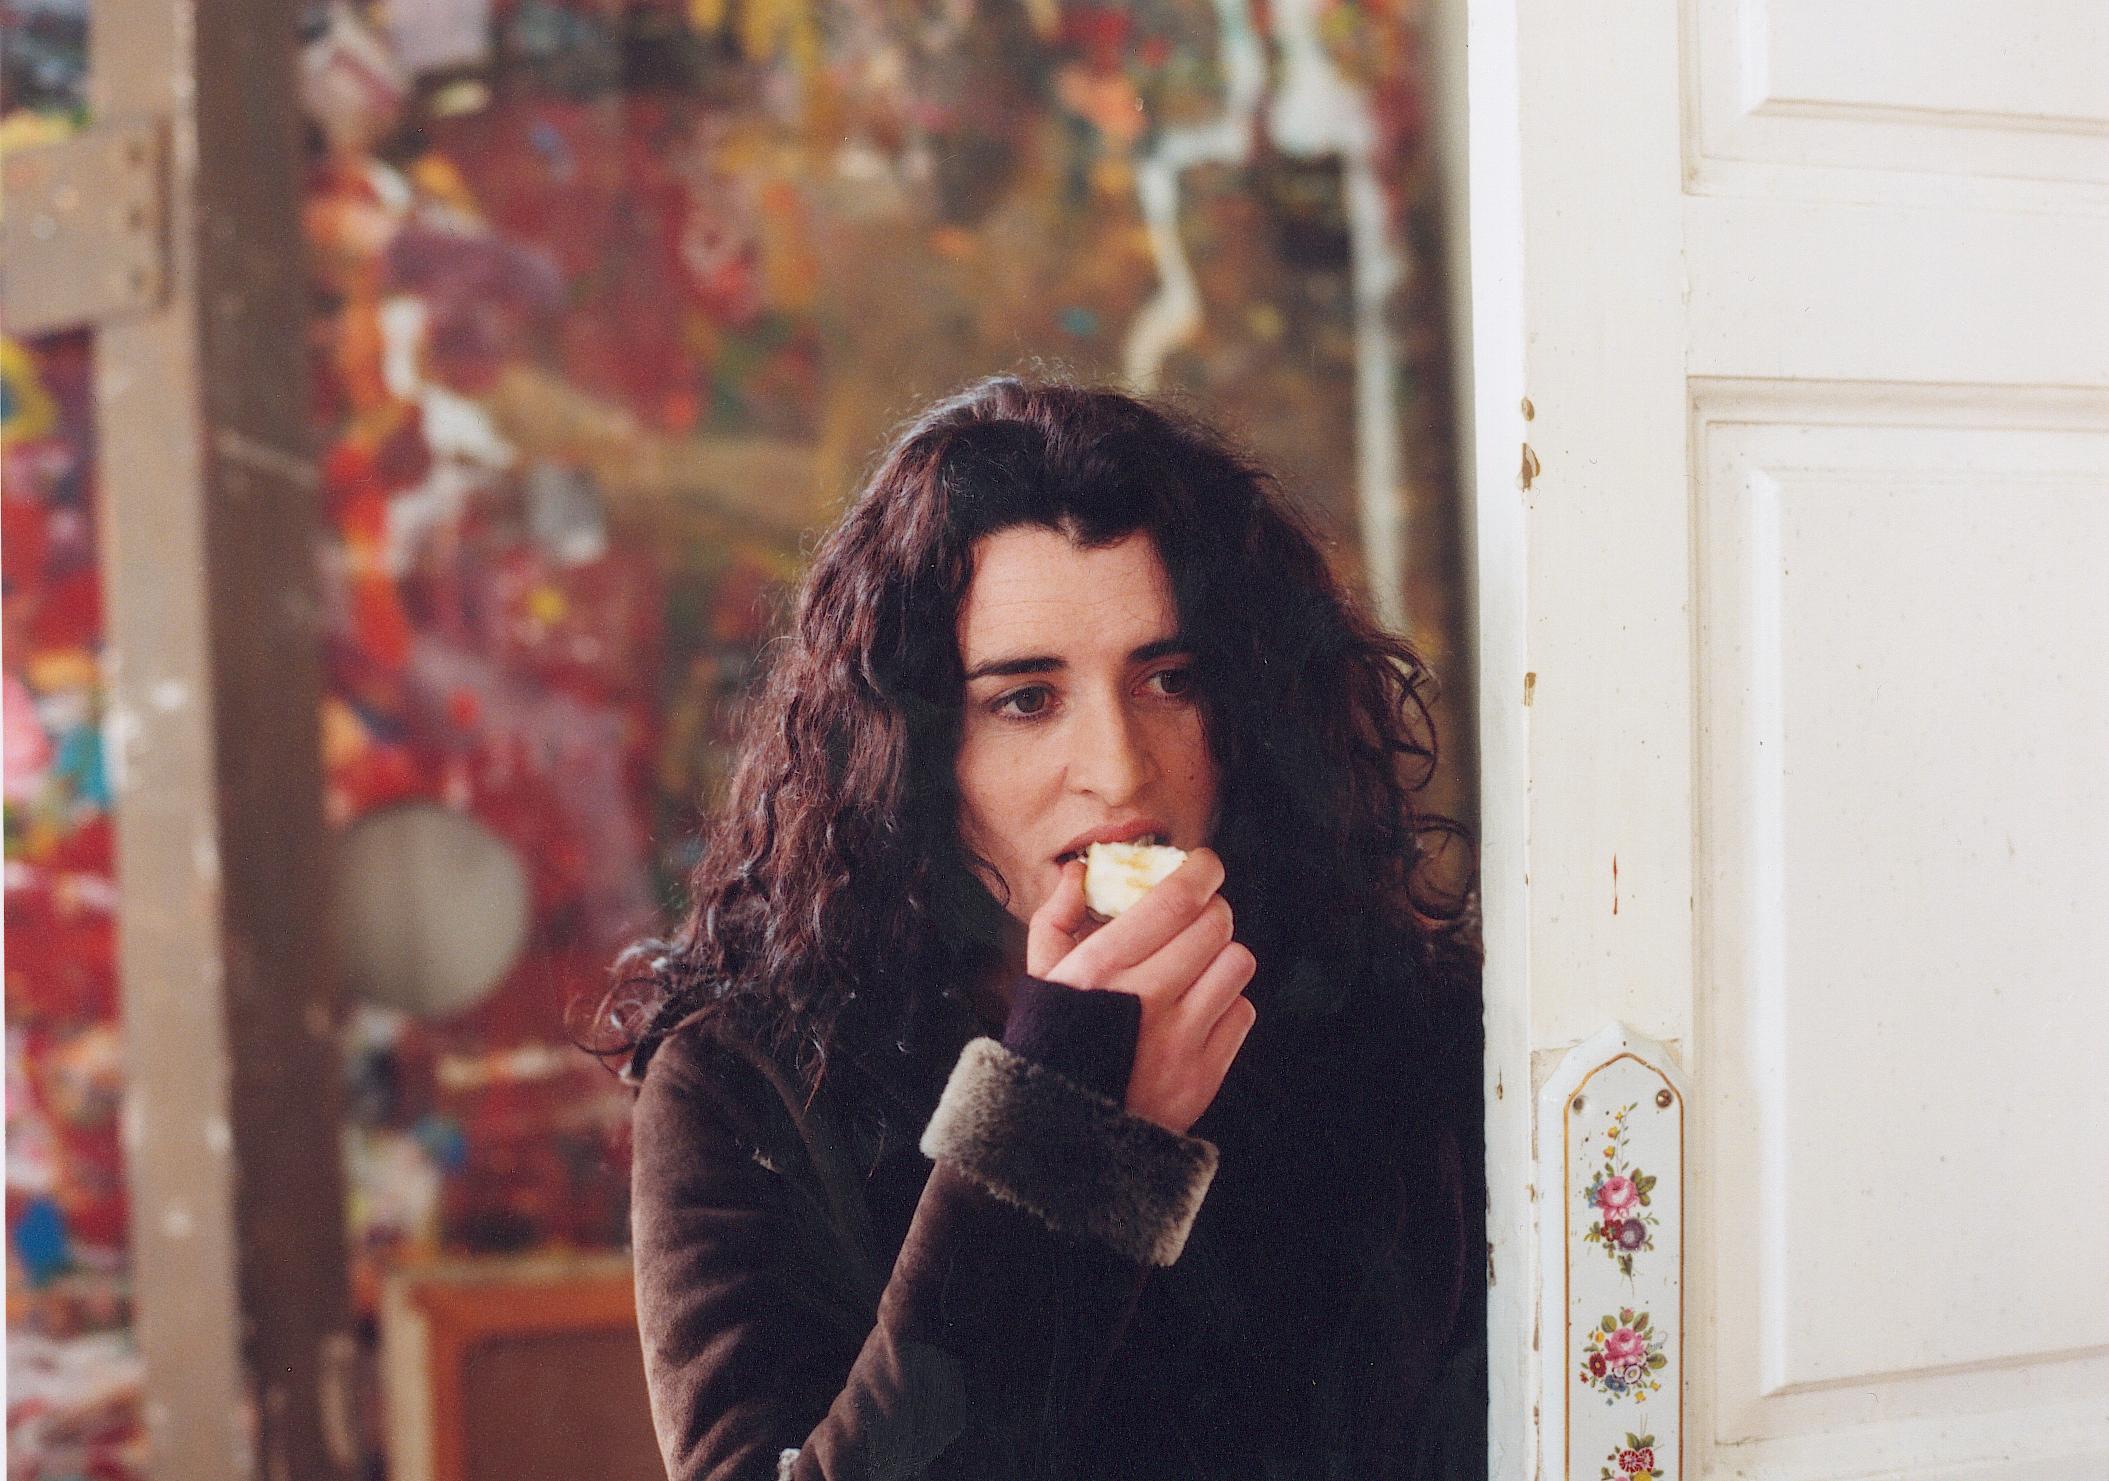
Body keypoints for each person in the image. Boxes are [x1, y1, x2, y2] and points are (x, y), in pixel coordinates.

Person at [600, 375, 1485, 1481]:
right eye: (1026, 699)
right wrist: (1068, 1126)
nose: (1119, 770)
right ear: (915, 751)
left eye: (1170, 679)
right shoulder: (745, 1085)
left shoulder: (1406, 1022)